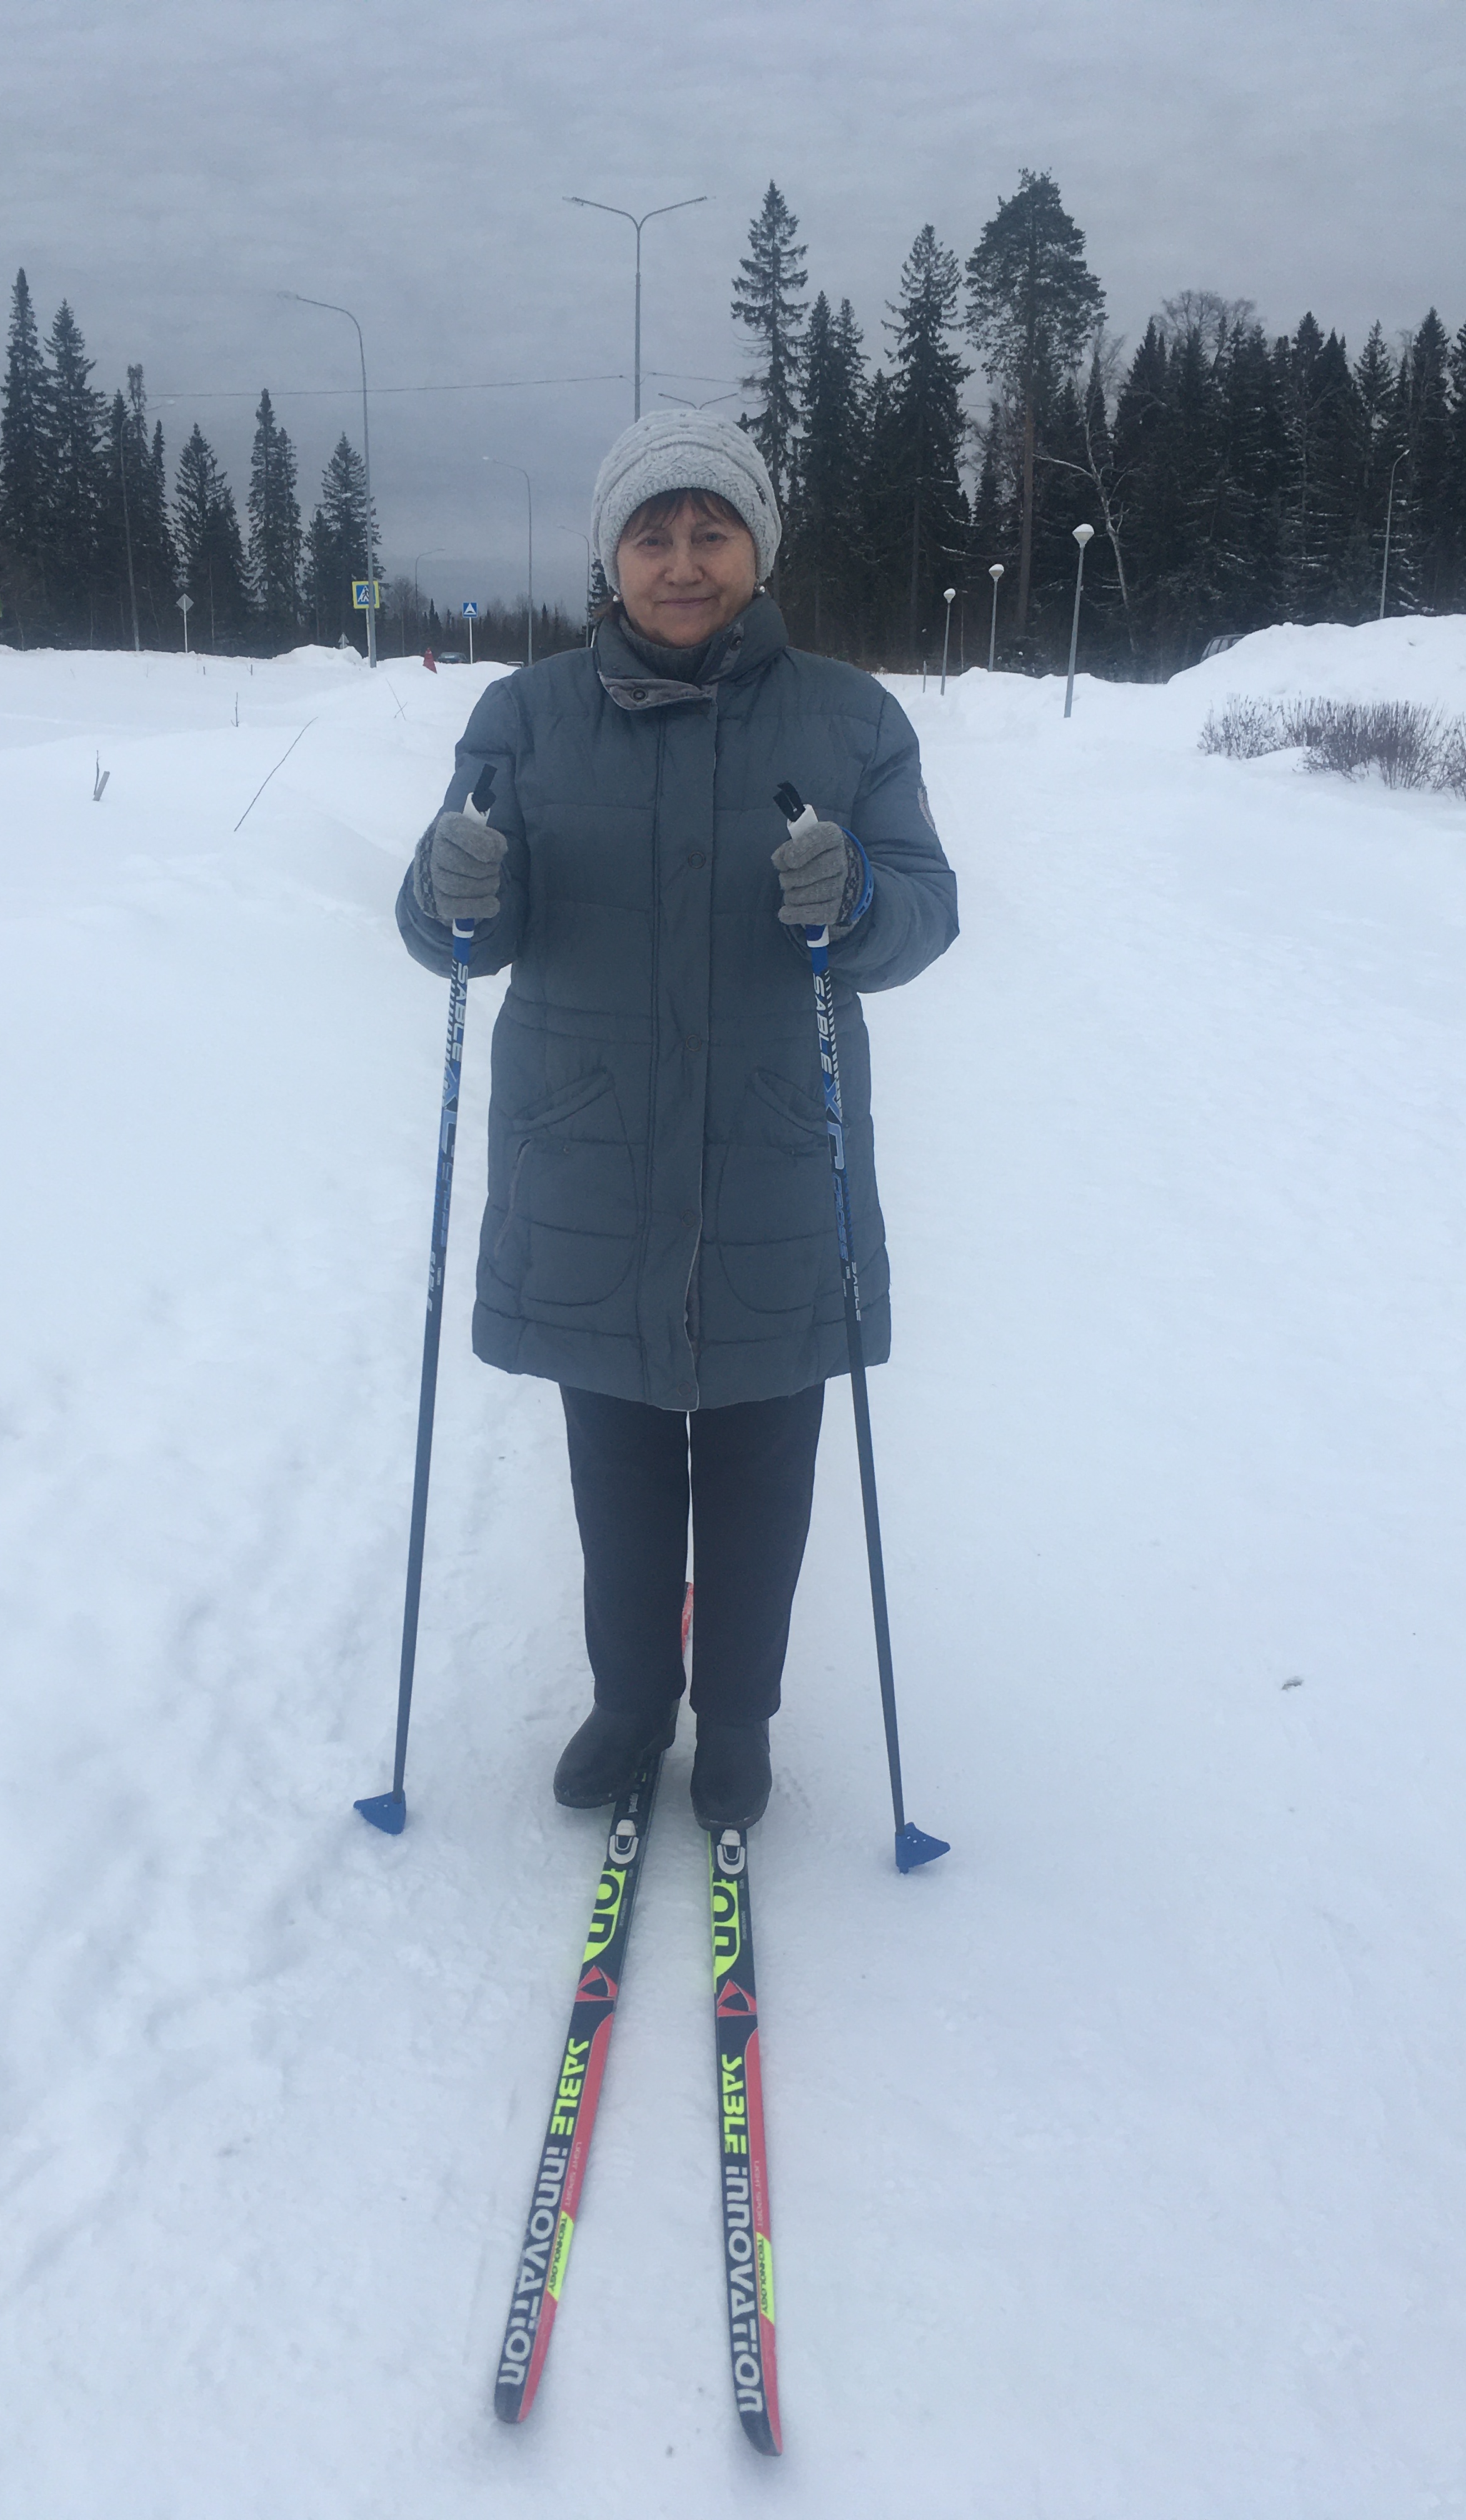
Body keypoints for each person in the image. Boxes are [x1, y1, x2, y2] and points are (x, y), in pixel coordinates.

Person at [396, 409, 956, 1830]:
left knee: (765, 1465)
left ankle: (741, 1717)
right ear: (613, 556)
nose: (685, 562)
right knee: (622, 1462)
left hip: (779, 1149)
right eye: (654, 536)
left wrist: (861, 900)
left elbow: (923, 915)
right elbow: (462, 932)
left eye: (713, 532)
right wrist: (451, 889)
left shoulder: (851, 719)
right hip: (590, 1153)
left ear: (759, 547)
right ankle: (634, 1701)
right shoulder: (525, 717)